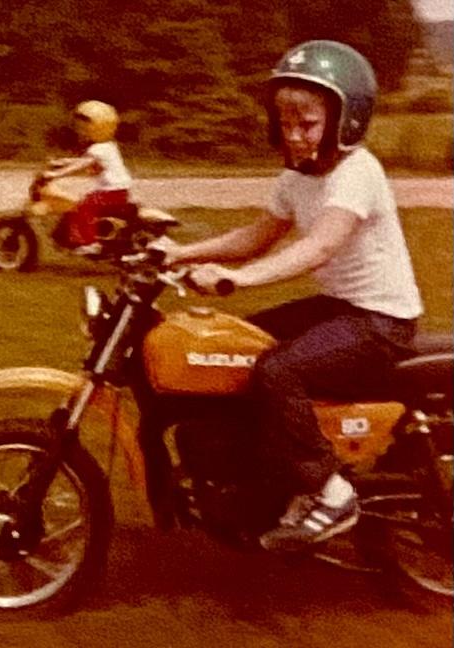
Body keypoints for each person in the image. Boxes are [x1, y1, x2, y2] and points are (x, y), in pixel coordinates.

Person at [154, 40, 423, 552]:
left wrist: (239, 280)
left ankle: (330, 490)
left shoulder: (357, 174)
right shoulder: (297, 177)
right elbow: (254, 237)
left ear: (346, 120)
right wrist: (179, 254)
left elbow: (320, 246)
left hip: (381, 322)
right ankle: (263, 481)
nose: (295, 135)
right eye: (286, 122)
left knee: (278, 370)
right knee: (236, 347)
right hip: (341, 308)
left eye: (308, 123)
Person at [44, 100, 132, 255]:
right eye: (80, 128)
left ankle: (90, 243)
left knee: (83, 207)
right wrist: (60, 162)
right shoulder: (107, 146)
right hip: (117, 191)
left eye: (85, 128)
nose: (81, 131)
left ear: (99, 128)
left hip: (112, 192)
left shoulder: (99, 148)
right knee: (81, 203)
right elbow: (82, 161)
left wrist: (56, 174)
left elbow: (82, 164)